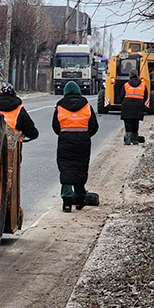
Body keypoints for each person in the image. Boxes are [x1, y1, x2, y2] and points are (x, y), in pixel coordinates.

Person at [53, 80, 99, 212]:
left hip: (65, 141)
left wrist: (65, 133)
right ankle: (80, 199)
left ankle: (67, 201)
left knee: (66, 169)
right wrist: (84, 135)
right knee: (80, 168)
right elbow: (94, 126)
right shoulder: (87, 106)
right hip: (83, 142)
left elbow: (55, 126)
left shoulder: (60, 107)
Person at [121, 71, 147, 145]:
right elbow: (145, 96)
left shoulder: (126, 85)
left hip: (127, 105)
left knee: (128, 122)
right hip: (138, 105)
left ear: (130, 76)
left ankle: (128, 139)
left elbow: (121, 95)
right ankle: (135, 139)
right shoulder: (142, 85)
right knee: (136, 122)